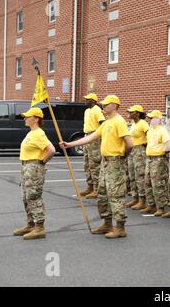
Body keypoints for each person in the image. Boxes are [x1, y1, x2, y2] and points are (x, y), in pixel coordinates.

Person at [61, 95, 132, 239]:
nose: (103, 107)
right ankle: (107, 223)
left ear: (114, 105)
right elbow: (91, 137)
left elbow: (129, 143)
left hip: (115, 162)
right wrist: (70, 144)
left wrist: (122, 156)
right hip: (105, 162)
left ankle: (120, 227)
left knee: (115, 194)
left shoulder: (119, 121)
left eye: (106, 104)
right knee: (103, 193)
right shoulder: (106, 123)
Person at [13, 107, 56, 240]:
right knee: (26, 197)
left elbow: (51, 150)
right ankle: (31, 224)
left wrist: (41, 162)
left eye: (28, 116)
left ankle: (39, 227)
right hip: (26, 166)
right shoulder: (31, 133)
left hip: (33, 167)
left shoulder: (38, 133)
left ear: (36, 118)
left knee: (33, 196)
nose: (25, 118)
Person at [144, 110, 170, 216]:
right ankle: (151, 204)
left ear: (158, 119)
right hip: (149, 158)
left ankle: (161, 207)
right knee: (147, 182)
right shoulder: (150, 130)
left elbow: (167, 145)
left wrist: (161, 153)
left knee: (157, 183)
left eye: (152, 118)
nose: (149, 120)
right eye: (149, 118)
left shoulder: (162, 130)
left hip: (158, 159)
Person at [80, 93, 105, 199]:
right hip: (87, 136)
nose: (86, 101)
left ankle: (97, 189)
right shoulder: (87, 111)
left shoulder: (97, 110)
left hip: (94, 137)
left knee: (94, 163)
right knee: (87, 163)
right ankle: (90, 186)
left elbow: (103, 123)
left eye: (88, 100)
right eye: (86, 99)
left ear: (94, 101)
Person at [126, 105, 150, 210]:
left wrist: (146, 144)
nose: (129, 113)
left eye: (132, 112)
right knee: (132, 175)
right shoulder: (133, 124)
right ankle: (135, 197)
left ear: (138, 113)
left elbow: (149, 135)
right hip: (132, 151)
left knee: (140, 176)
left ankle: (142, 200)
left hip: (140, 151)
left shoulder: (143, 123)